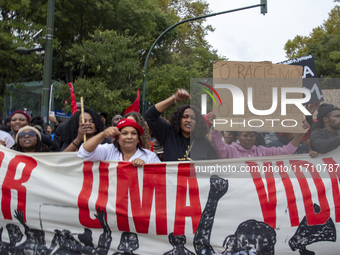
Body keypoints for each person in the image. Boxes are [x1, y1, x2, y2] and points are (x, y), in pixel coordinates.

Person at [145, 88, 217, 161]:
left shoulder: (205, 143)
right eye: (185, 117)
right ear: (179, 119)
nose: (189, 120)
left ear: (197, 122)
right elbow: (150, 115)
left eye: (192, 118)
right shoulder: (168, 134)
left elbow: (214, 167)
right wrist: (174, 98)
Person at [210, 114, 310, 159]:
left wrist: (300, 135)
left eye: (252, 136)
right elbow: (218, 146)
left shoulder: (262, 151)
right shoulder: (230, 150)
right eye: (245, 135)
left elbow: (286, 151)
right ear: (238, 137)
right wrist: (215, 127)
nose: (249, 138)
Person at [78, 119, 160, 167]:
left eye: (134, 133)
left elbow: (159, 178)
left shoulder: (150, 157)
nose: (129, 137)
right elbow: (84, 153)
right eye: (124, 133)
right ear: (117, 138)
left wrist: (145, 168)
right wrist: (102, 134)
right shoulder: (108, 150)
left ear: (138, 139)